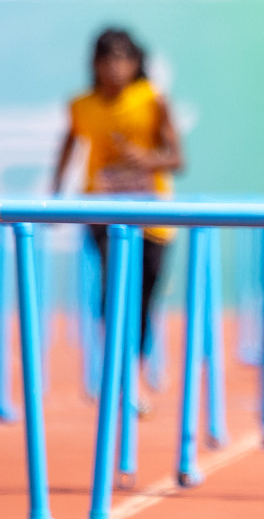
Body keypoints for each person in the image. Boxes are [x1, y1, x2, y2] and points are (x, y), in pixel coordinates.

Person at [52, 28, 184, 357]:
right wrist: (54, 193)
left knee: (144, 291)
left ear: (136, 62)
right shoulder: (81, 106)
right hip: (102, 208)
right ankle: (116, 364)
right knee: (115, 281)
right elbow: (67, 146)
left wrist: (147, 159)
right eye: (107, 60)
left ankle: (134, 366)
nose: (115, 68)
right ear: (95, 64)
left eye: (123, 59)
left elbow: (178, 159)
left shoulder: (152, 100)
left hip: (152, 211)